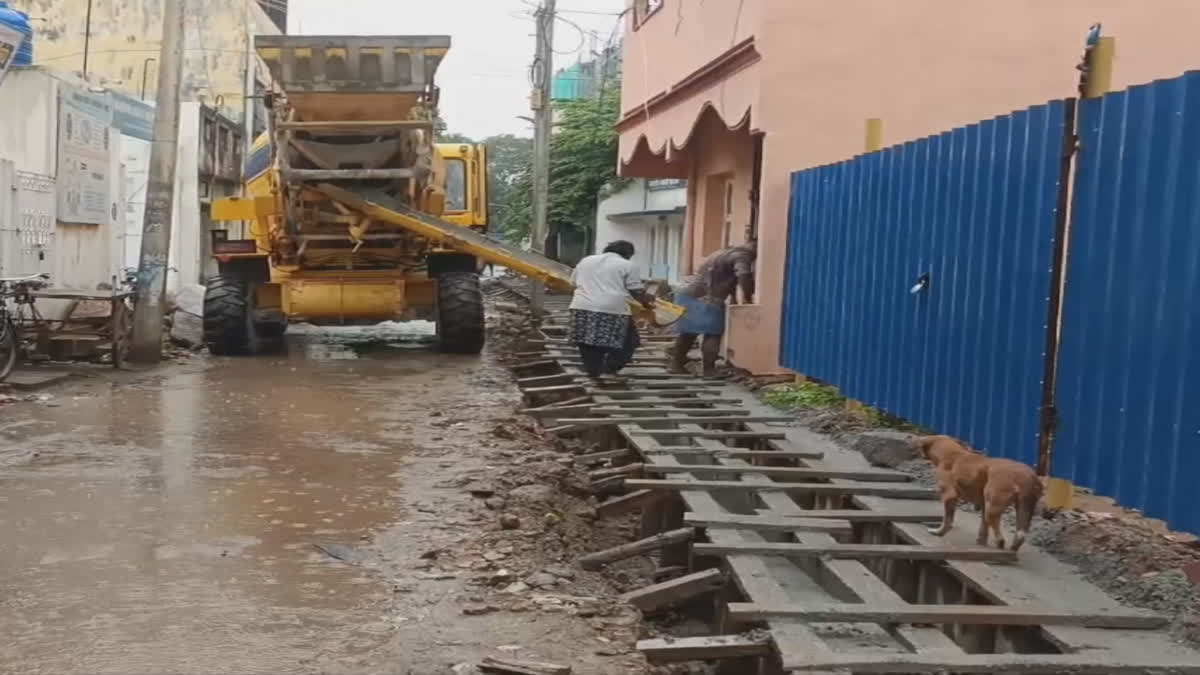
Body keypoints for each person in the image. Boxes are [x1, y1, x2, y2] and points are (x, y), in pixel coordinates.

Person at [568, 241, 654, 382]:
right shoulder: (628, 265)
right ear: (628, 254)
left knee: (587, 341)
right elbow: (635, 290)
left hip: (581, 306)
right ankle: (609, 369)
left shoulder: (586, 260)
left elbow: (572, 283)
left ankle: (594, 372)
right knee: (629, 341)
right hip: (612, 308)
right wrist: (647, 303)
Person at [670, 237, 757, 376]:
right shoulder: (742, 255)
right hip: (706, 298)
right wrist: (747, 297)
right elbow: (743, 275)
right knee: (713, 333)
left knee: (688, 332)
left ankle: (676, 364)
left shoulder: (724, 252)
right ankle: (709, 370)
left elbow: (727, 279)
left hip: (687, 294)